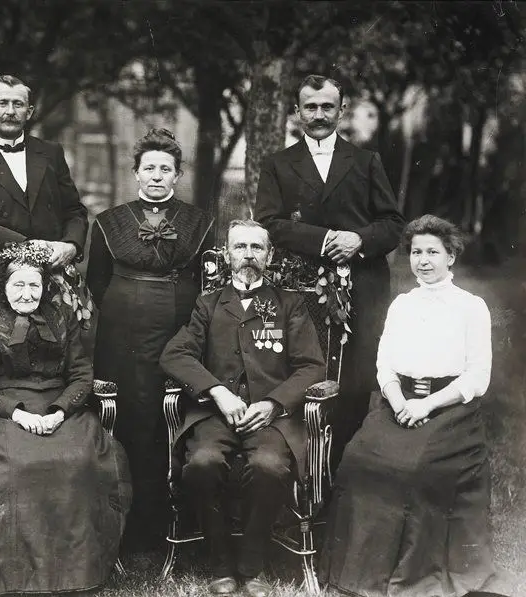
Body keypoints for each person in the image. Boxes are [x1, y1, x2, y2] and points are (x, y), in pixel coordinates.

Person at [319, 215, 512, 597]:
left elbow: (477, 377)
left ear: (451, 256)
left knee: (412, 468)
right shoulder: (402, 305)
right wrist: (397, 401)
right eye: (416, 252)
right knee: (357, 459)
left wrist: (427, 406)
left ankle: (407, 577)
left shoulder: (471, 307)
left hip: (450, 410)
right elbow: (384, 364)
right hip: (399, 402)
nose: (423, 260)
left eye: (432, 252)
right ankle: (358, 573)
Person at [160, 220, 326, 597]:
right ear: (227, 255)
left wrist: (273, 403)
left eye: (256, 247)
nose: (248, 255)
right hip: (215, 417)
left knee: (269, 467)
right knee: (201, 464)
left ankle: (253, 565)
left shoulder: (289, 304)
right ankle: (220, 562)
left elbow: (312, 366)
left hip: (270, 421)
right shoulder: (208, 304)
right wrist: (217, 391)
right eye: (240, 247)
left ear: (269, 255)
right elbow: (175, 354)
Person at [0, 241, 131, 596]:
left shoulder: (62, 318)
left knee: (80, 459)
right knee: (20, 464)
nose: (27, 293)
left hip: (62, 407)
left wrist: (60, 410)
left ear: (44, 285)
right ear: (4, 286)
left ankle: (77, 572)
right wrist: (18, 414)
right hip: (6, 411)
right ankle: (13, 577)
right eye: (18, 284)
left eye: (34, 284)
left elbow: (81, 375)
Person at [254, 74, 405, 460]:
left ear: (342, 110)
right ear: (296, 111)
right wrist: (323, 240)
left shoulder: (366, 161)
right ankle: (298, 468)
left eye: (327, 106)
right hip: (299, 287)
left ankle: (342, 472)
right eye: (310, 107)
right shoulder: (277, 164)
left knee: (354, 381)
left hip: (361, 288)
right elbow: (268, 221)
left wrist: (359, 240)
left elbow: (392, 224)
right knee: (300, 371)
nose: (319, 115)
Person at [86, 128, 214, 551]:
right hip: (122, 335)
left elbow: (206, 281)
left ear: (177, 175)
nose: (157, 176)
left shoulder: (199, 223)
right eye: (149, 168)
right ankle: (127, 523)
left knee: (171, 412)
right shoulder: (109, 222)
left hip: (179, 330)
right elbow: (97, 281)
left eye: (165, 169)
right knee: (127, 414)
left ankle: (172, 518)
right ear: (136, 173)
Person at [0, 74, 88, 267]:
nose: (10, 111)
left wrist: (71, 245)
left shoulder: (51, 153)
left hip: (52, 268)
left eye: (18, 104)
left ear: (29, 112)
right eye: (2, 103)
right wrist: (24, 245)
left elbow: (73, 210)